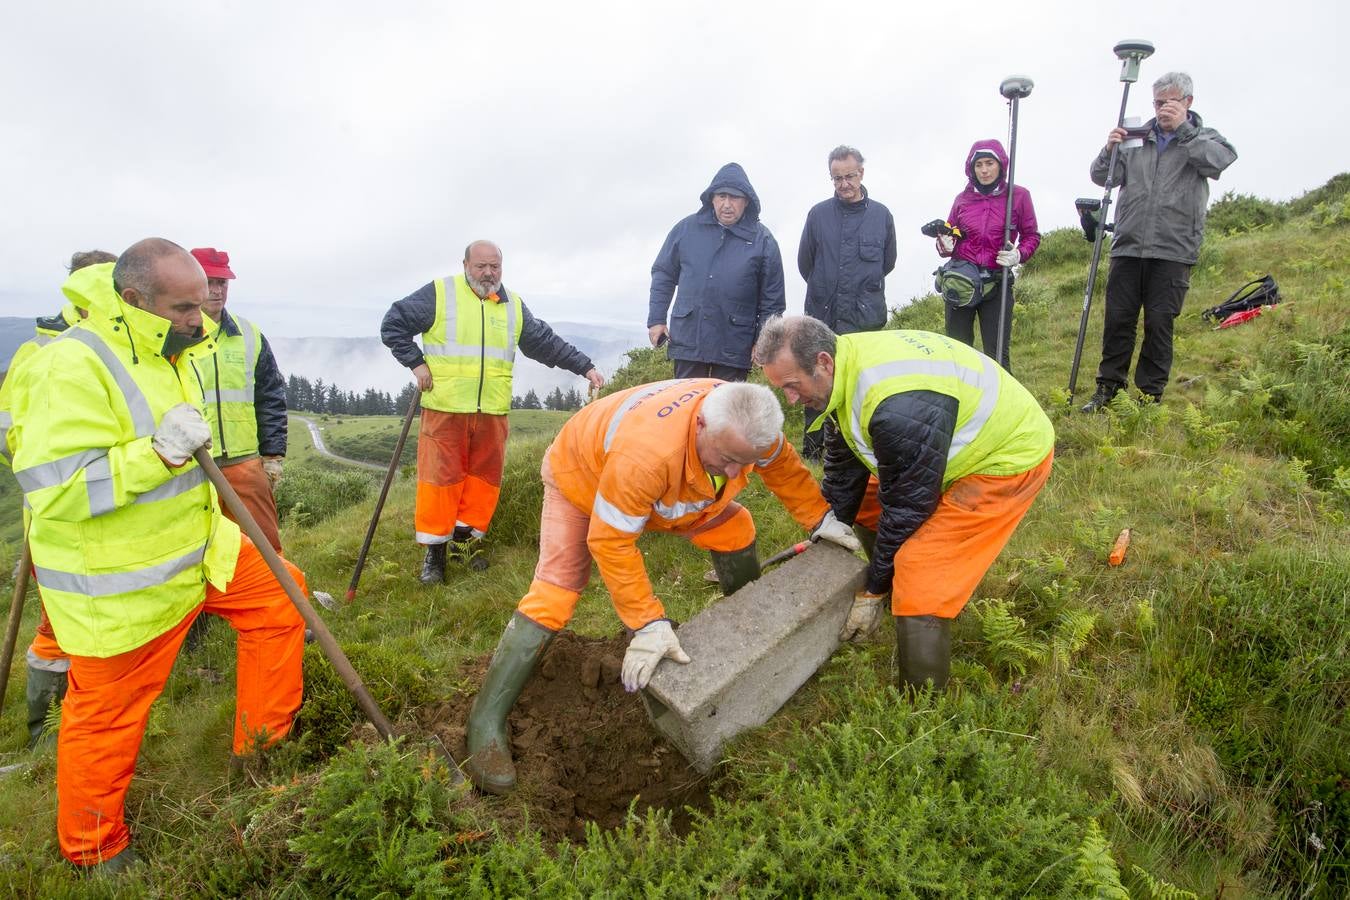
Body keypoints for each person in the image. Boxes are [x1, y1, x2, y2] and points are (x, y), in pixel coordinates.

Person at [8, 239, 307, 872]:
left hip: (199, 548)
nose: (201, 320)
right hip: (123, 581)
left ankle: (259, 755)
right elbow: (55, 489)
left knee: (284, 601)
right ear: (133, 299)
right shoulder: (72, 365)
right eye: (184, 307)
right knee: (108, 714)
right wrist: (159, 453)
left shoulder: (166, 347)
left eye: (201, 304)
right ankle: (92, 850)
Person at [463, 378, 860, 793]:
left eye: (744, 463)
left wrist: (820, 520)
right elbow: (612, 540)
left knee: (735, 528)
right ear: (702, 423)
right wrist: (648, 624)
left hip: (666, 490)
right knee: (557, 590)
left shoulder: (749, 425)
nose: (734, 472)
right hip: (584, 479)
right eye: (726, 459)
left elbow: (783, 468)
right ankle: (486, 719)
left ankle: (745, 633)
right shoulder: (647, 455)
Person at [755, 316, 1054, 692]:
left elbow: (909, 508)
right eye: (781, 389)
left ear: (822, 362)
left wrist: (873, 591)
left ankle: (921, 708)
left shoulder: (895, 406)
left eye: (792, 386)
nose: (791, 400)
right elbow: (846, 472)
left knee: (920, 569)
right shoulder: (845, 369)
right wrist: (828, 530)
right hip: (936, 450)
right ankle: (893, 584)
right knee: (866, 500)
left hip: (1005, 460)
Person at [381, 240, 605, 584]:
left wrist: (585, 367)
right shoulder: (441, 293)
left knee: (482, 484)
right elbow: (393, 323)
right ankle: (435, 556)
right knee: (440, 484)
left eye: (495, 266)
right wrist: (416, 364)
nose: (488, 273)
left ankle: (465, 546)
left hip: (492, 413)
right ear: (466, 265)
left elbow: (544, 342)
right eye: (481, 266)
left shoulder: (512, 305)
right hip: (445, 409)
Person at [0, 250, 116, 749]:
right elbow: (11, 439)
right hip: (58, 521)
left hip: (116, 514)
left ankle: (92, 724)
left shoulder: (119, 343)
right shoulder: (42, 351)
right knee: (60, 627)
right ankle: (46, 737)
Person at [1080, 71, 1237, 412]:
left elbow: (1219, 162)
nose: (1163, 108)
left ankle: (1150, 397)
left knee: (1159, 322)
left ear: (1188, 102)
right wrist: (1109, 149)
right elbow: (1101, 177)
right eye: (1158, 101)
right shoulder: (1137, 137)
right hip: (1128, 244)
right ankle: (1108, 390)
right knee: (1118, 320)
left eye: (1170, 101)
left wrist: (1183, 131)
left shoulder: (1205, 137)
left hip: (1173, 248)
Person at [797, 145, 898, 459]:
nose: (844, 184)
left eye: (849, 176)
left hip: (864, 319)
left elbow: (888, 262)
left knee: (859, 383)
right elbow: (805, 263)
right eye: (837, 178)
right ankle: (814, 450)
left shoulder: (881, 215)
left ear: (861, 174)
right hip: (822, 317)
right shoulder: (817, 215)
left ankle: (857, 448)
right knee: (815, 379)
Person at [647, 162, 785, 381]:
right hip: (689, 340)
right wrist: (656, 319)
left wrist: (763, 341)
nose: (727, 204)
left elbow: (773, 302)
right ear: (712, 198)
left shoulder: (764, 241)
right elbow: (663, 273)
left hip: (734, 345)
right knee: (686, 407)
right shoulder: (686, 229)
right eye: (722, 196)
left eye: (735, 197)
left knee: (728, 412)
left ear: (746, 201)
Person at [189, 248, 288, 552]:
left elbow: (270, 396)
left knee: (265, 544)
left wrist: (272, 456)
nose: (217, 291)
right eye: (209, 282)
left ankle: (280, 597)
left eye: (223, 283)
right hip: (193, 464)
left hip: (244, 463)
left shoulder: (249, 334)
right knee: (201, 547)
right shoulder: (173, 334)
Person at [934, 139, 1039, 373]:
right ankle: (961, 404)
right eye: (979, 164)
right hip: (961, 282)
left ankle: (1002, 406)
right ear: (971, 168)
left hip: (997, 283)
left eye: (989, 163)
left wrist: (1018, 255)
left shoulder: (1019, 196)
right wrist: (945, 244)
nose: (984, 170)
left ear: (1001, 164)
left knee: (997, 354)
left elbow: (1032, 235)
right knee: (957, 351)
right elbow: (950, 238)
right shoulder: (962, 199)